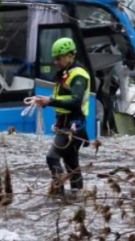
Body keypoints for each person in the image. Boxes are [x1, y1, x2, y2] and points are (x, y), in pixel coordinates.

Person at [32, 37, 91, 196]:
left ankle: (58, 195)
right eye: (54, 59)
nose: (55, 62)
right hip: (67, 124)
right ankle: (76, 197)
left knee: (52, 157)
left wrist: (49, 101)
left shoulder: (79, 75)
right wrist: (45, 103)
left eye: (59, 58)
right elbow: (64, 100)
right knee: (71, 163)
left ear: (70, 56)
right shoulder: (66, 73)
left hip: (74, 126)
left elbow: (76, 101)